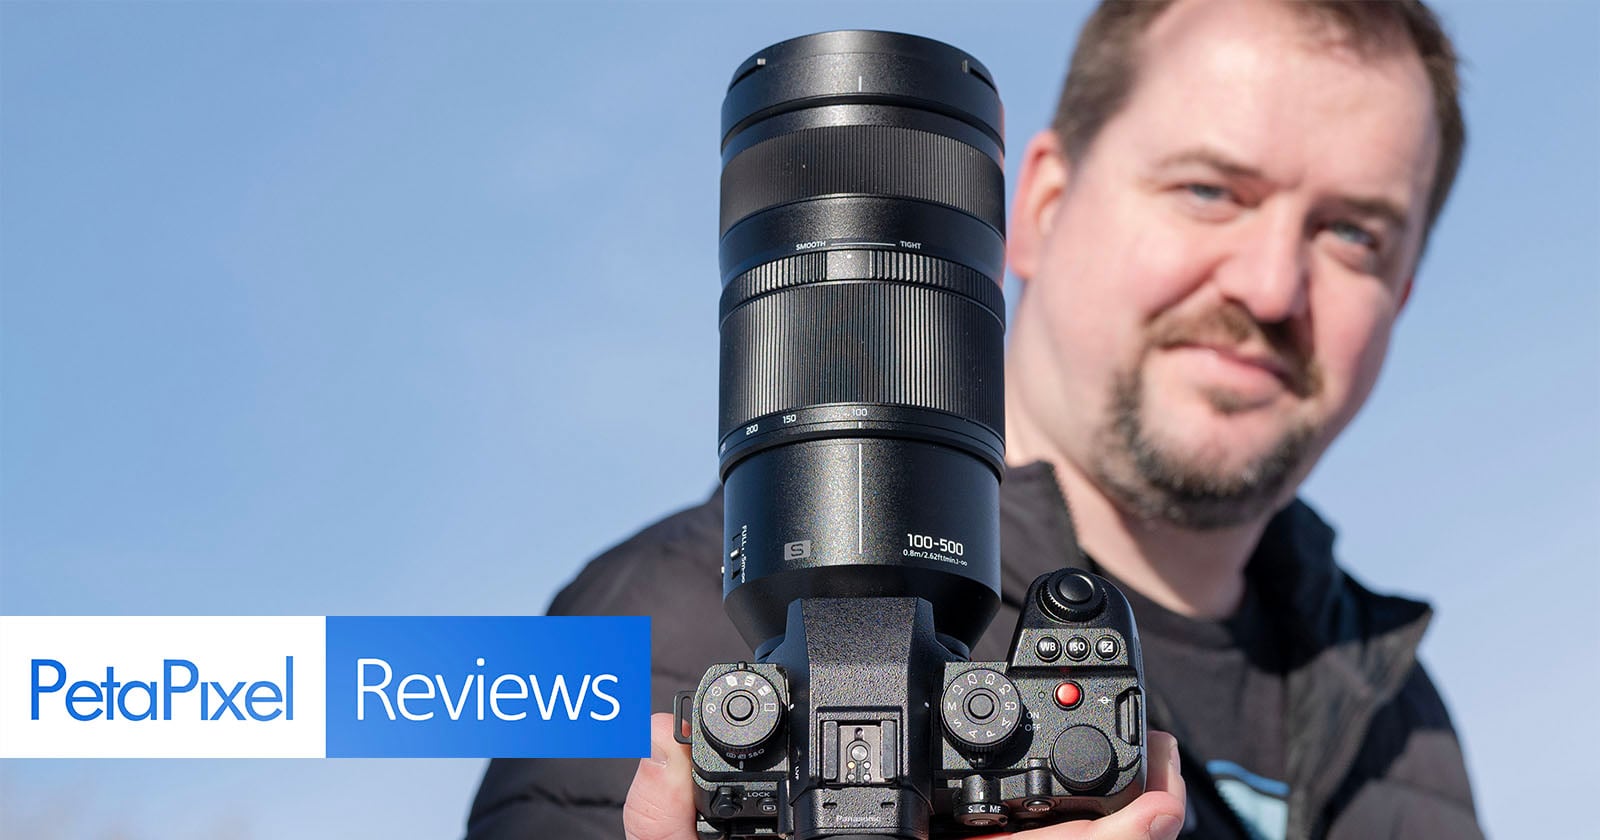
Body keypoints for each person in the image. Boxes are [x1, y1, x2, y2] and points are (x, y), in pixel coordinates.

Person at [466, 1, 1483, 838]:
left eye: (1353, 234)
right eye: (1209, 189)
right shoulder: (640, 620)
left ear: (1401, 294)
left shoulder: (1398, 712)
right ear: (1036, 205)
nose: (1269, 287)